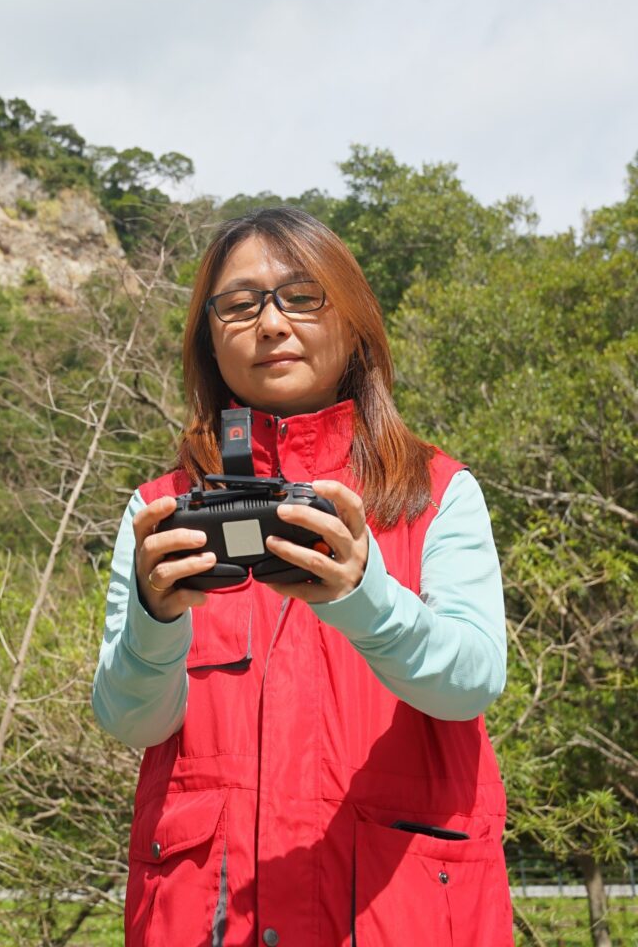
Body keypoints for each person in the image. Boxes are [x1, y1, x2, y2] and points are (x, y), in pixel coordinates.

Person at [93, 207, 511, 947]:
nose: (271, 324)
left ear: (353, 320)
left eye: (302, 296)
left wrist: (365, 599)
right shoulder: (160, 512)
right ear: (208, 339)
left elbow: (472, 680)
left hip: (401, 914)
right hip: (205, 919)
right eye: (240, 303)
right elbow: (132, 721)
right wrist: (157, 621)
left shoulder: (436, 492)